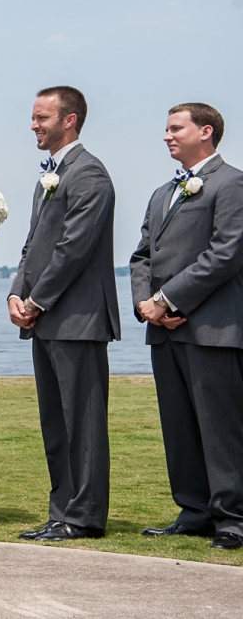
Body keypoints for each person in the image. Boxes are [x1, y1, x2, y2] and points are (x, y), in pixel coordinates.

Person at [130, 103, 243, 550]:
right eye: (166, 129)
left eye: (176, 128)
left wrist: (166, 299)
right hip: (164, 331)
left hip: (214, 329)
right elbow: (142, 255)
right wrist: (145, 305)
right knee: (178, 427)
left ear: (206, 131)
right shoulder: (162, 193)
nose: (167, 136)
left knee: (221, 429)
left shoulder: (232, 183)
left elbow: (226, 254)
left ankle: (233, 519)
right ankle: (194, 512)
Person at [9, 86, 120, 542]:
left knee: (83, 425)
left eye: (42, 118)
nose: (33, 125)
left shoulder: (88, 173)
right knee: (55, 424)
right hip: (48, 319)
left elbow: (75, 248)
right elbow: (33, 244)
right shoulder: (51, 176)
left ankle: (85, 516)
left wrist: (37, 301)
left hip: (78, 319)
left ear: (69, 120)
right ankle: (62, 513)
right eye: (34, 117)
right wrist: (16, 293)